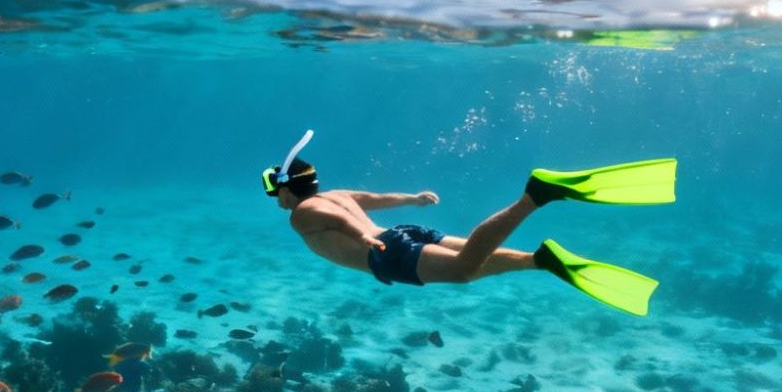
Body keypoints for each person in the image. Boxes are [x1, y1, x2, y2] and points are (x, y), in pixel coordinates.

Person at [261, 131, 675, 316]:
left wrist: (365, 235)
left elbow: (333, 219)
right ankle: (541, 261)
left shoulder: (301, 213)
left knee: (463, 271)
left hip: (385, 252)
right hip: (402, 235)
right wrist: (411, 198)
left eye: (272, 189)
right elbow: (371, 199)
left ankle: (535, 196)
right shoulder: (335, 192)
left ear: (285, 189)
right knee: (471, 259)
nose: (274, 199)